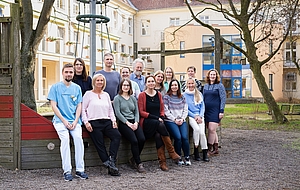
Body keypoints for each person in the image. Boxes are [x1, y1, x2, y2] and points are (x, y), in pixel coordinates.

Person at [47, 63, 88, 181]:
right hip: (60, 121)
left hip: (74, 121)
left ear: (73, 74)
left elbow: (79, 106)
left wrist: (75, 121)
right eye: (67, 72)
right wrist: (64, 121)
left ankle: (80, 170)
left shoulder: (77, 88)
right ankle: (67, 171)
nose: (69, 74)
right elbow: (54, 106)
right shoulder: (55, 87)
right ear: (62, 73)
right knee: (65, 139)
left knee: (78, 139)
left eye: (71, 72)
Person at [81, 74, 121, 176]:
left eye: (101, 80)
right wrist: (86, 122)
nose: (100, 82)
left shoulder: (106, 95)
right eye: (97, 80)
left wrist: (113, 120)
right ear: (94, 82)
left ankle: (111, 160)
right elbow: (83, 110)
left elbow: (110, 110)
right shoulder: (88, 94)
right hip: (93, 122)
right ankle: (108, 163)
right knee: (100, 143)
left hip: (106, 121)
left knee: (116, 135)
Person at [138, 75, 180, 171]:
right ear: (146, 83)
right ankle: (171, 152)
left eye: (152, 81)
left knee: (158, 136)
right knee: (160, 125)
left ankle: (162, 162)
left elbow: (162, 109)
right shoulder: (142, 95)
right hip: (147, 121)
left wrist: (161, 117)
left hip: (158, 122)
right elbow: (141, 112)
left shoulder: (159, 94)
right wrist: (157, 118)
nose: (151, 83)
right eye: (149, 81)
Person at [113, 79, 146, 173]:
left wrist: (136, 122)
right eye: (124, 85)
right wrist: (128, 123)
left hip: (134, 121)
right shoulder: (117, 98)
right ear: (121, 87)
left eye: (127, 85)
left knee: (142, 139)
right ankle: (138, 163)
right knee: (134, 141)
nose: (126, 87)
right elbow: (118, 113)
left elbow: (136, 111)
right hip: (124, 123)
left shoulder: (132, 98)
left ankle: (133, 158)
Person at [163, 79, 190, 166]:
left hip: (181, 120)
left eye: (176, 85)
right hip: (171, 121)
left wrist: (182, 119)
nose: (174, 87)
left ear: (178, 87)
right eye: (172, 85)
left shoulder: (182, 97)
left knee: (184, 137)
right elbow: (166, 111)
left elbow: (185, 110)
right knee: (178, 137)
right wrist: (174, 119)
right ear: (170, 87)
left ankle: (187, 156)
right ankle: (178, 157)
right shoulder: (166, 97)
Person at [184, 77, 209, 162]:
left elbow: (202, 106)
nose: (191, 85)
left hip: (200, 116)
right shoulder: (184, 95)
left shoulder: (199, 94)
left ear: (194, 84)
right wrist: (195, 116)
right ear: (187, 84)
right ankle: (196, 150)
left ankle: (205, 151)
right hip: (191, 116)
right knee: (197, 129)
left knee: (202, 133)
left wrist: (200, 116)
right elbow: (186, 109)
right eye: (189, 83)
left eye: (192, 83)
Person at [203, 69, 226, 156]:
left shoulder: (220, 86)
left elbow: (223, 99)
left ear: (216, 76)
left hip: (215, 111)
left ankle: (209, 149)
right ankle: (216, 149)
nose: (212, 76)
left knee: (211, 129)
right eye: (211, 75)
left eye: (214, 75)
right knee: (212, 130)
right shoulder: (205, 86)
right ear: (208, 76)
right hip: (206, 111)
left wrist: (221, 111)